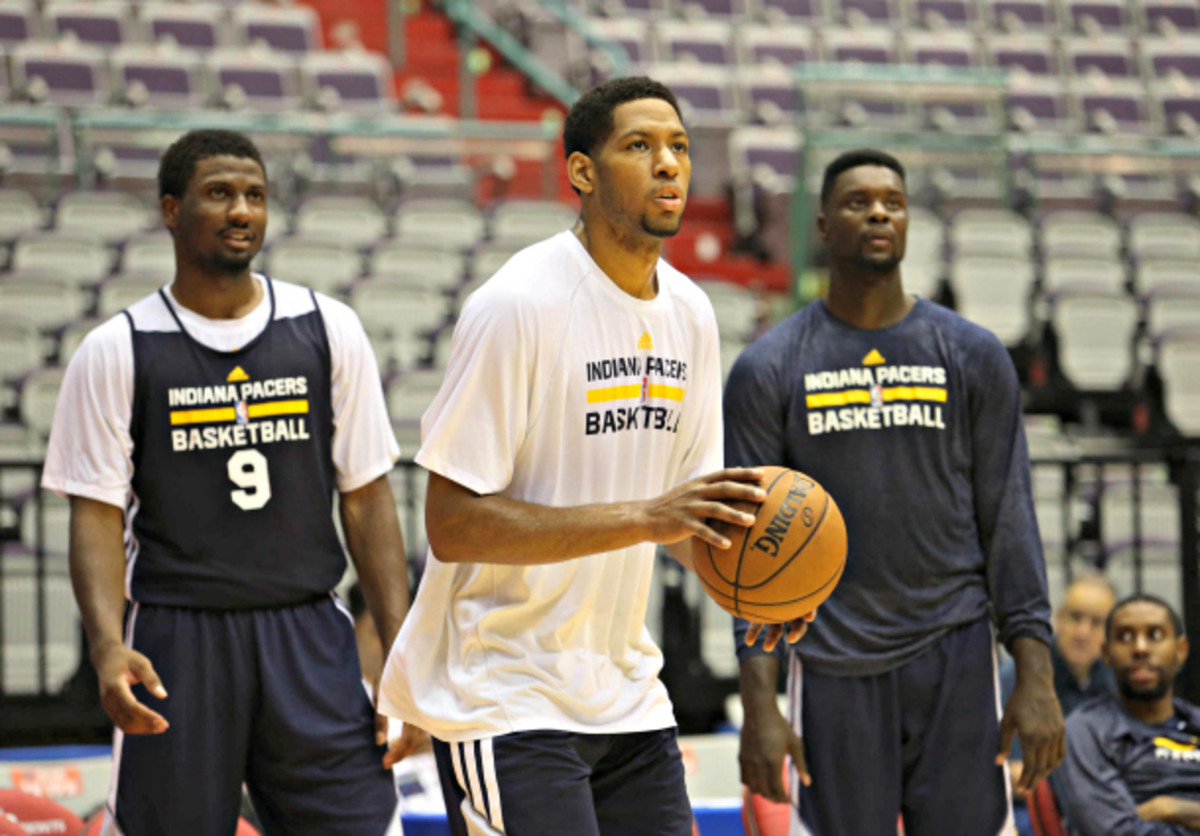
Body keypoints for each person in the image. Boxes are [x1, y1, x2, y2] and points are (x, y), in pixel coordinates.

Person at [377, 76, 806, 836]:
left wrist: (754, 585)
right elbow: (452, 524)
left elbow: (685, 516)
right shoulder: (518, 306)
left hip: (626, 687)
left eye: (678, 147)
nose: (669, 164)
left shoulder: (690, 314)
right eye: (639, 147)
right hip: (502, 691)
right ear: (582, 172)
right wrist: (644, 516)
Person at [42, 129, 420, 836]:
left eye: (254, 195)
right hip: (177, 640)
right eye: (219, 193)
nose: (241, 210)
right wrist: (104, 646)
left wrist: (401, 650)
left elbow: (367, 498)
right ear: (170, 209)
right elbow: (93, 513)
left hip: (307, 630)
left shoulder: (327, 328)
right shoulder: (117, 348)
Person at [726, 149, 1065, 835]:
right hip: (830, 661)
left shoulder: (972, 354)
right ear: (822, 223)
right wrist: (760, 705)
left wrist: (1036, 672)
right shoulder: (770, 367)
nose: (878, 211)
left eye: (893, 201)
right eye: (857, 201)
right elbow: (751, 559)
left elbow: (1010, 517)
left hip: (958, 652)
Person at [1051, 594, 1200, 835]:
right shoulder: (1086, 731)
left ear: (1181, 650)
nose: (1140, 648)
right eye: (1126, 637)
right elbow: (1113, 832)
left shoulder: (1195, 721)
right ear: (1107, 653)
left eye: (1155, 635)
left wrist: (1170, 808)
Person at [1002, 573, 1118, 792]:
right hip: (1029, 809)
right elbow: (1011, 772)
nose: (1083, 632)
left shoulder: (1115, 678)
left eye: (1096, 623)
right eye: (1075, 617)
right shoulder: (1020, 676)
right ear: (1058, 618)